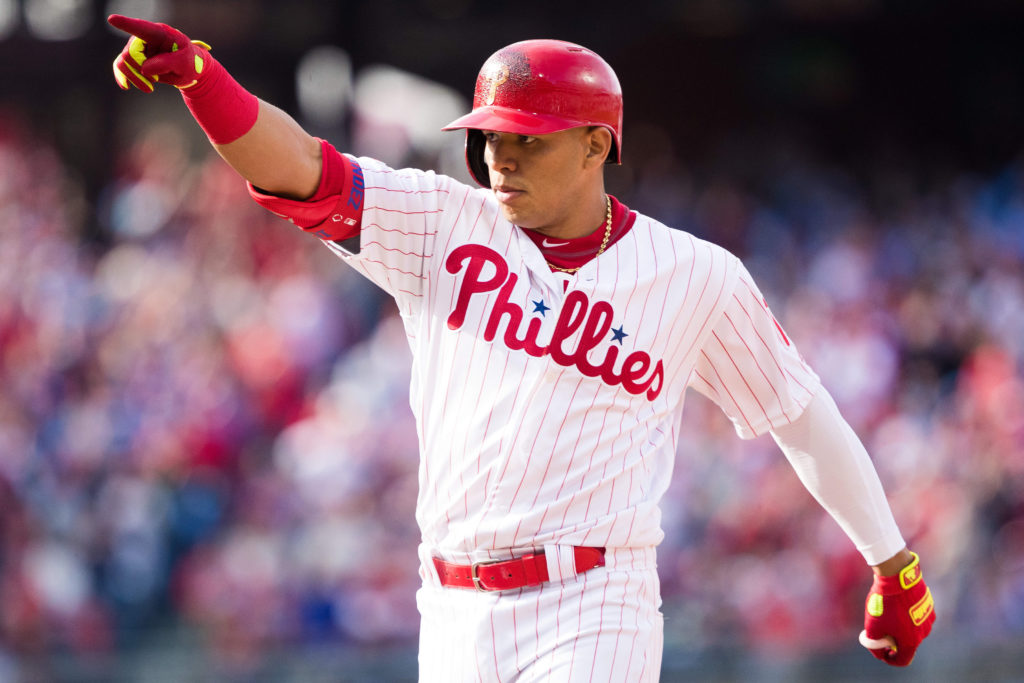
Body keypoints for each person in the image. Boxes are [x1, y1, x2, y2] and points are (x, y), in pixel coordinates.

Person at [108, 14, 936, 680]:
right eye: (492, 138)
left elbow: (798, 412)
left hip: (594, 598)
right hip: (452, 604)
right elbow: (300, 168)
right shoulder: (441, 222)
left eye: (527, 140)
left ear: (596, 145)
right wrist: (204, 83)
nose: (500, 159)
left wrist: (891, 561)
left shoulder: (693, 274)